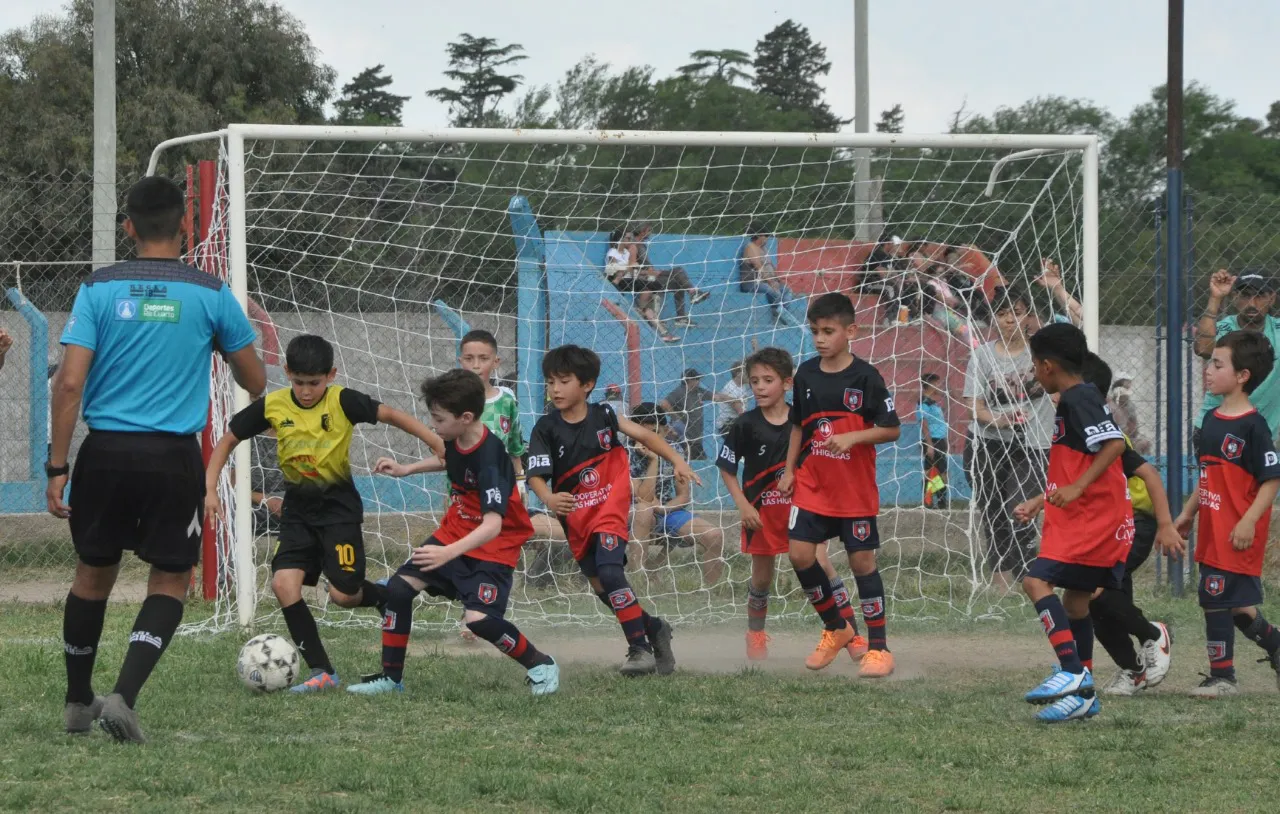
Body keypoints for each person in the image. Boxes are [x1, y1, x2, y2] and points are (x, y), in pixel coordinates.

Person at [48, 176, 267, 743]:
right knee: (171, 578)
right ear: (184, 228)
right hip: (173, 457)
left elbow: (69, 385)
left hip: (104, 454)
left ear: (129, 227)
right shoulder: (211, 292)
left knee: (92, 576)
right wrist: (213, 342)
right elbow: (255, 378)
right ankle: (123, 695)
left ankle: (77, 702)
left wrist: (56, 466)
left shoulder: (97, 289)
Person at [205, 334, 443, 693]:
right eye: (298, 382)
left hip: (338, 513)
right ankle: (322, 671)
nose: (305, 391)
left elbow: (391, 414)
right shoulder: (273, 405)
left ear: (330, 375)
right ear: (286, 373)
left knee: (343, 596)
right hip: (297, 513)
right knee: (284, 584)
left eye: (313, 383)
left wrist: (437, 443)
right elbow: (228, 440)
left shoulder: (343, 401)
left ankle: (385, 596)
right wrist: (209, 488)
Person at [346, 369, 560, 696]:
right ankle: (391, 679)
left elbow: (493, 525)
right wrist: (407, 469)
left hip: (494, 546)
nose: (433, 425)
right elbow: (449, 460)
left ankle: (540, 663)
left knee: (479, 621)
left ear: (466, 417)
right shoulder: (456, 436)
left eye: (438, 418)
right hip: (455, 532)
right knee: (398, 591)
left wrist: (447, 553)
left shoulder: (491, 459)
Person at [526, 344, 698, 676]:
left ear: (587, 384)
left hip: (610, 510)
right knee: (604, 589)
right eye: (550, 382)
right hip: (577, 520)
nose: (555, 389)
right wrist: (548, 498)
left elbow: (646, 436)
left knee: (610, 572)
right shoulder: (545, 428)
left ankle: (639, 650)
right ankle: (654, 628)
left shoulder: (604, 415)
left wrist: (677, 460)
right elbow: (535, 475)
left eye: (563, 381)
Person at [1015, 351, 1177, 696]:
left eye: (1061, 387)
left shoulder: (1105, 434)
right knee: (1086, 603)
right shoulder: (1074, 426)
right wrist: (1040, 501)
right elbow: (1074, 482)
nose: (1056, 394)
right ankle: (1127, 670)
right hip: (1098, 525)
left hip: (1128, 524)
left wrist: (1165, 523)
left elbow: (1146, 473)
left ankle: (1151, 633)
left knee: (1094, 596)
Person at [779, 292, 901, 678]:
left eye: (828, 331)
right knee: (800, 556)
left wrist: (852, 438)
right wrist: (788, 470)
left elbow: (892, 429)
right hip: (813, 483)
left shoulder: (866, 377)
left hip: (854, 489)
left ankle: (879, 649)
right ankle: (836, 626)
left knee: (861, 562)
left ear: (851, 331)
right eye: (814, 331)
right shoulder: (806, 374)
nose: (819, 338)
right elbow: (799, 426)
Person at [717, 347, 866, 660]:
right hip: (761, 513)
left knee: (823, 564)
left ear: (786, 383)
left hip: (804, 507)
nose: (759, 386)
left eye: (767, 380)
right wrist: (743, 506)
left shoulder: (804, 422)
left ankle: (849, 633)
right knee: (761, 577)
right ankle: (755, 635)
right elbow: (727, 469)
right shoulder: (744, 424)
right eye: (754, 380)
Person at [1019, 323, 1131, 723]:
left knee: (1035, 582)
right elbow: (1078, 462)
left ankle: (1072, 673)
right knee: (1076, 600)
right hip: (1092, 515)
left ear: (1048, 365)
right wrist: (1042, 499)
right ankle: (1084, 696)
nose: (1033, 371)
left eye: (1034, 364)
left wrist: (1079, 488)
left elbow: (1114, 444)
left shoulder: (1078, 397)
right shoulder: (1077, 397)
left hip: (1092, 520)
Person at [1174, 330, 1280, 697]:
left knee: (1214, 598)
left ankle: (1223, 677)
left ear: (1242, 376)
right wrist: (1188, 514)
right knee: (1236, 607)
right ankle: (1277, 646)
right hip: (1213, 529)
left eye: (1218, 364)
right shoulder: (1211, 422)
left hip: (1238, 532)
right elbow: (1208, 477)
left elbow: (1271, 480)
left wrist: (1248, 520)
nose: (1208, 369)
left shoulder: (1254, 426)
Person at [456, 329, 567, 613]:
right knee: (471, 552)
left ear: (496, 362)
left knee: (503, 549)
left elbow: (516, 447)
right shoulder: (453, 401)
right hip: (466, 494)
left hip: (505, 492)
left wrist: (521, 483)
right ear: (461, 362)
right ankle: (473, 611)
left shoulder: (506, 400)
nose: (476, 364)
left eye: (483, 358)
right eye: (469, 358)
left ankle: (491, 606)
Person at [962, 287, 1054, 591]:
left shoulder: (1041, 354)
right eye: (1002, 314)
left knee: (1021, 508)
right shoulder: (982, 356)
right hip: (987, 442)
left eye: (1016, 312)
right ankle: (1001, 578)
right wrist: (998, 420)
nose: (1009, 320)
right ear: (993, 318)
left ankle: (1027, 575)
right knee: (994, 510)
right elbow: (974, 407)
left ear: (1027, 315)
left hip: (1032, 443)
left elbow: (1059, 387)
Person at [628, 403, 724, 585]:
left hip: (665, 510)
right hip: (633, 513)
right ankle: (638, 583)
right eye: (643, 433)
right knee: (643, 511)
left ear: (665, 431)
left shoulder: (676, 451)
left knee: (714, 535)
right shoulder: (625, 453)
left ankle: (712, 593)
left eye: (655, 432)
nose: (649, 438)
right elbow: (644, 497)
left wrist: (663, 508)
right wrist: (654, 459)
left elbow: (683, 495)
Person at [1194, 270, 1280, 437]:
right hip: (1218, 429)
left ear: (1272, 298)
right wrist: (1215, 298)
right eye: (1245, 296)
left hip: (1264, 431)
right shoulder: (1223, 328)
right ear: (1234, 298)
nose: (1252, 303)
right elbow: (1203, 349)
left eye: (1260, 296)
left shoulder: (1277, 329)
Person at [604, 228, 679, 343]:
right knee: (654, 284)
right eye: (628, 238)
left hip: (629, 279)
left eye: (631, 238)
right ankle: (643, 310)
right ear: (620, 240)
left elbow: (631, 268)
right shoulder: (612, 252)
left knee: (649, 289)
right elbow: (612, 269)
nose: (631, 241)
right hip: (620, 280)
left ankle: (647, 315)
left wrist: (633, 267)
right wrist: (631, 267)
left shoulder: (626, 253)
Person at [631, 223, 710, 327]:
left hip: (651, 275)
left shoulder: (641, 245)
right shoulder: (634, 246)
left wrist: (653, 272)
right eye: (649, 230)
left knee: (679, 281)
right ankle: (692, 293)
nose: (651, 233)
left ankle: (682, 315)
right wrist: (651, 272)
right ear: (642, 232)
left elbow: (646, 265)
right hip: (644, 278)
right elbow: (632, 268)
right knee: (678, 270)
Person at [739, 221, 787, 320]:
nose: (767, 239)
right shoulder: (750, 247)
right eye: (766, 236)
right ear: (760, 235)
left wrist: (777, 280)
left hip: (764, 281)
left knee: (786, 290)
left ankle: (784, 313)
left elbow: (771, 266)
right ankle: (776, 313)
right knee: (774, 291)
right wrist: (771, 282)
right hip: (751, 283)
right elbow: (758, 266)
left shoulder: (763, 249)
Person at [918, 373, 950, 509]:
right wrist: (930, 445)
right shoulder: (924, 402)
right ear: (930, 384)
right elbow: (923, 423)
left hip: (940, 440)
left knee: (939, 470)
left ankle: (937, 499)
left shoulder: (933, 402)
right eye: (937, 383)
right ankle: (931, 499)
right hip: (932, 440)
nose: (939, 386)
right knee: (933, 470)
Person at [1108, 370, 1151, 455]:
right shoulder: (1112, 405)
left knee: (1144, 443)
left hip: (1128, 436)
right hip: (1117, 437)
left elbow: (1134, 429)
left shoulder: (1129, 406)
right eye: (1127, 382)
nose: (1129, 384)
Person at [715, 361, 749, 435]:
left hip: (735, 420)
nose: (748, 374)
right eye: (746, 372)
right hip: (727, 423)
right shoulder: (730, 388)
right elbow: (740, 411)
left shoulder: (743, 384)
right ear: (738, 374)